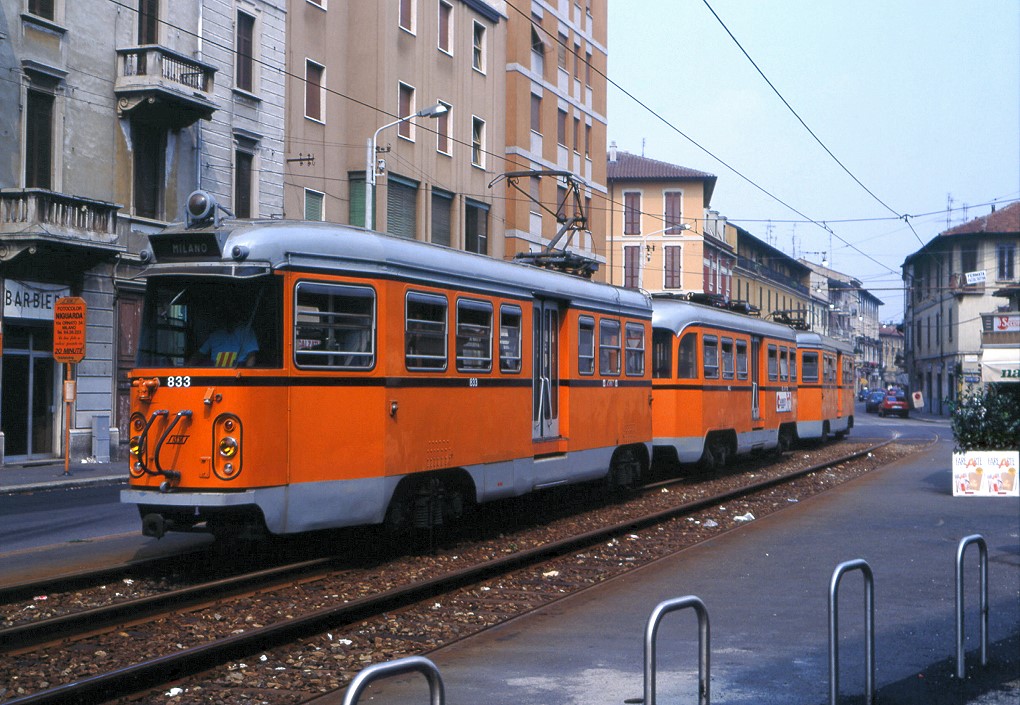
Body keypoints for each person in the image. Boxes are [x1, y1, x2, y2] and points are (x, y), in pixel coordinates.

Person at [194, 303, 259, 367]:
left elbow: (251, 356)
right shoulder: (215, 334)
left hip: (238, 371)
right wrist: (187, 367)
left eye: (231, 313)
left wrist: (247, 375)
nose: (228, 316)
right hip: (215, 371)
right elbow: (200, 353)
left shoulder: (245, 331)